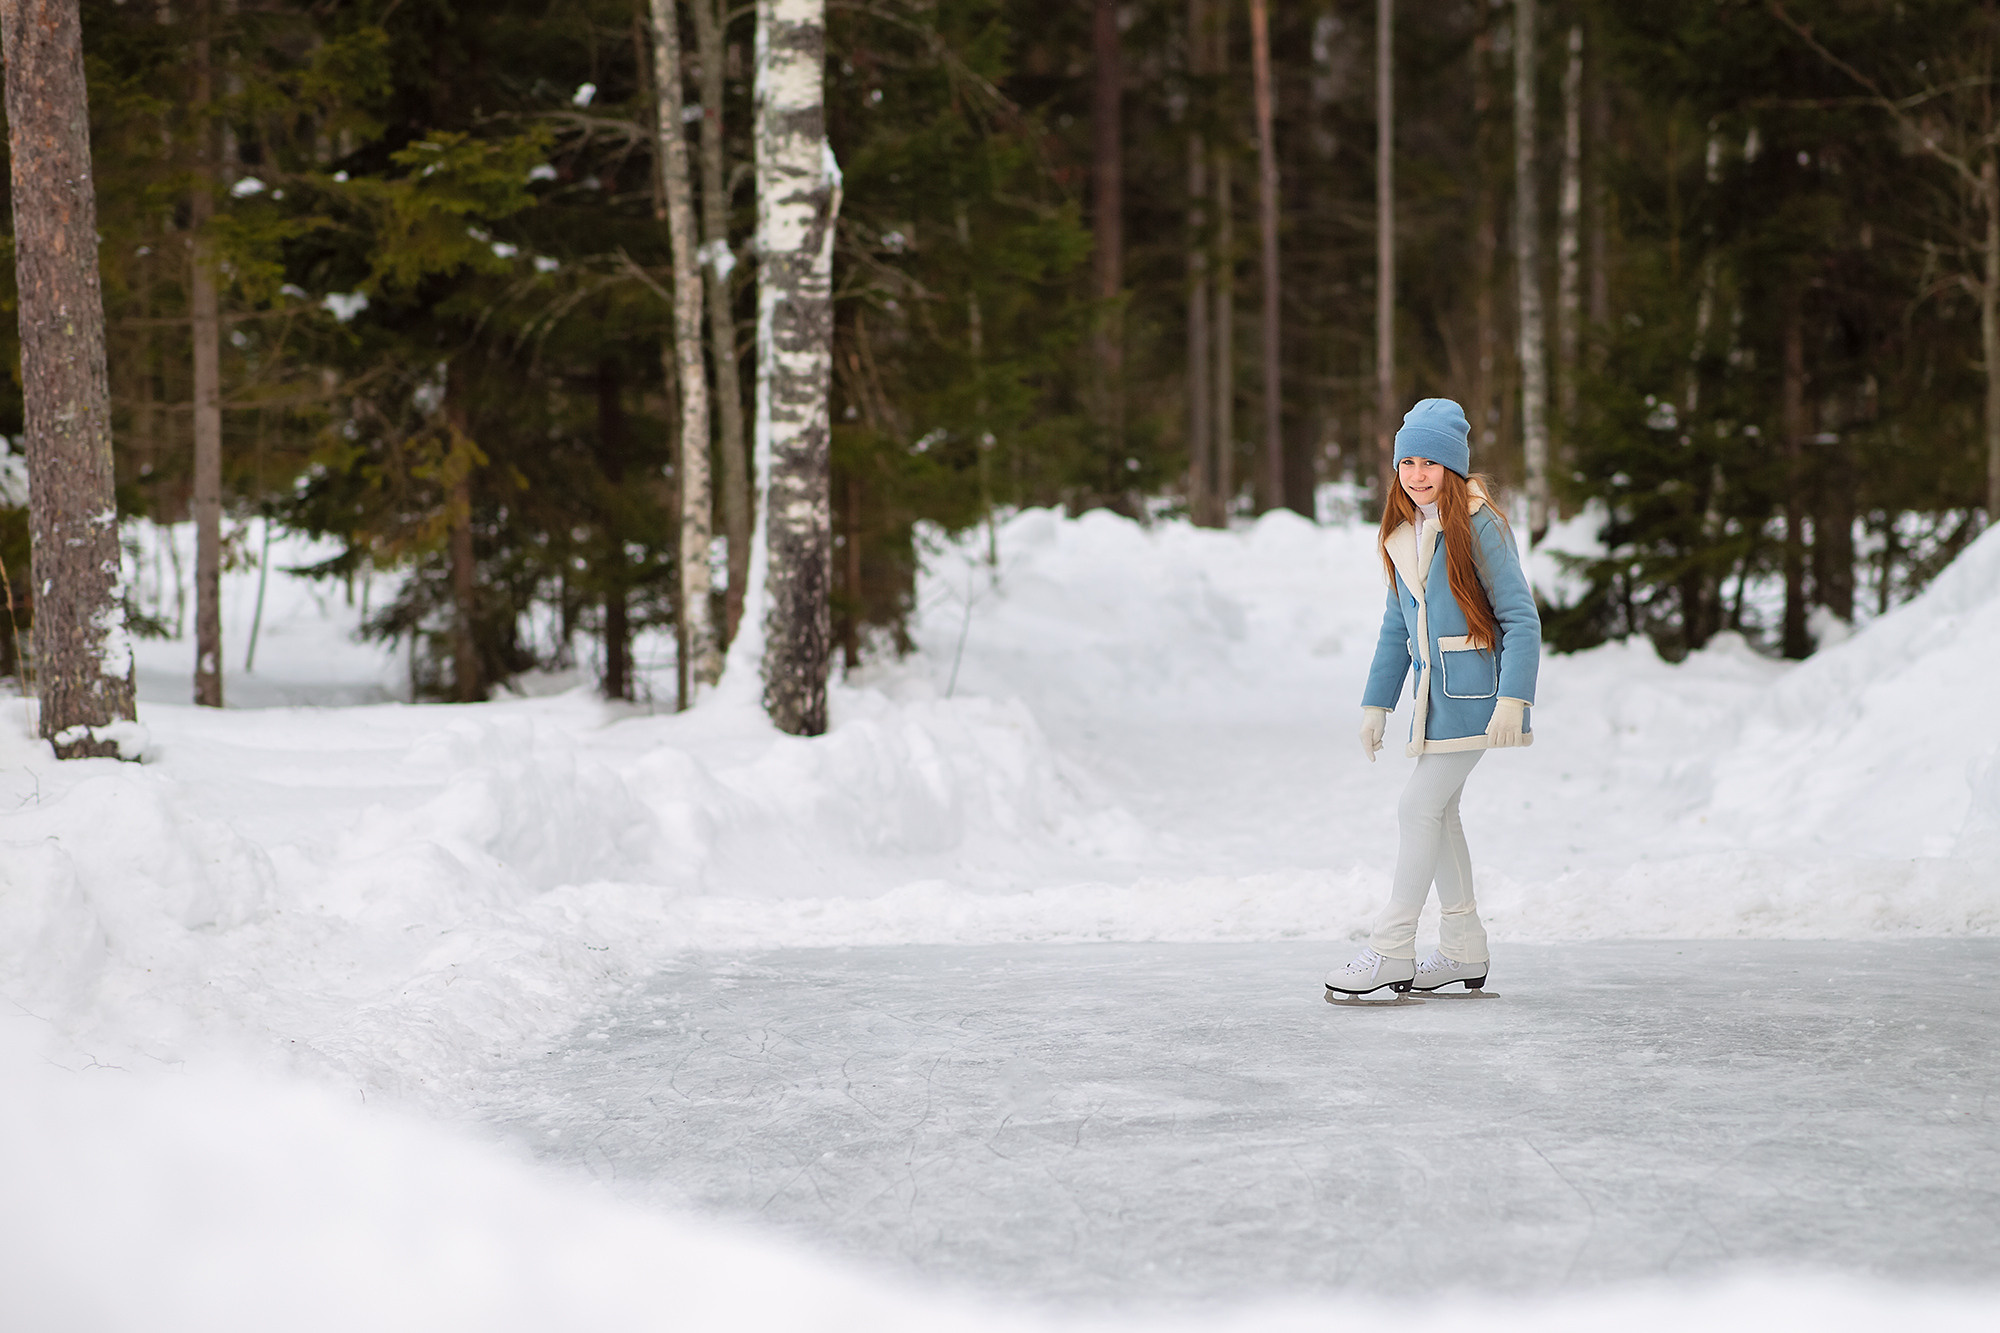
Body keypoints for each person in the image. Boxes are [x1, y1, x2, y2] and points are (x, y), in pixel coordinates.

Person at [1325, 398, 1540, 1001]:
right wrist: (1377, 704)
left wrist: (1513, 698)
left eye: (1431, 463)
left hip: (1474, 696)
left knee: (1416, 809)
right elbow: (1397, 625)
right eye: (1407, 462)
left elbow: (1521, 619)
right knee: (1439, 815)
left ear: (1454, 468)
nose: (1418, 474)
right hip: (1432, 700)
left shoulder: (1480, 523)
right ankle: (1463, 949)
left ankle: (1392, 948)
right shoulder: (1405, 531)